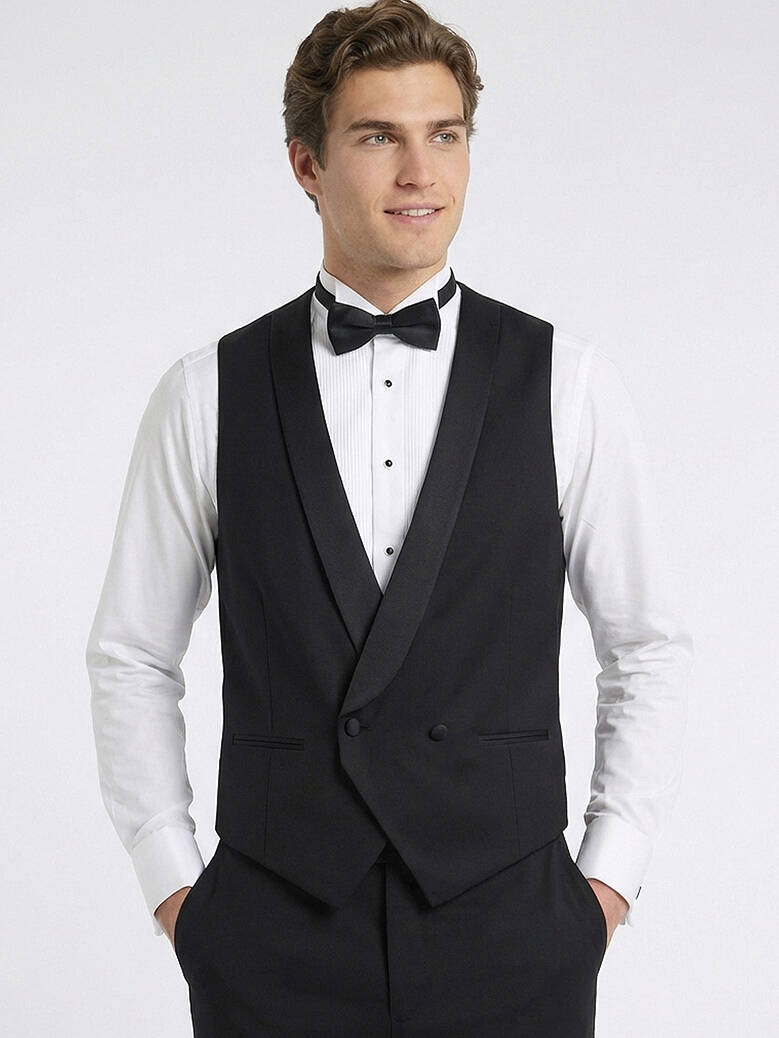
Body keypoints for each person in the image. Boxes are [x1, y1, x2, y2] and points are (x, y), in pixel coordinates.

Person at [86, 1, 693, 1034]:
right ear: (306, 165)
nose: (421, 174)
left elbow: (646, 646)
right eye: (378, 138)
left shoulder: (568, 383)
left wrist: (602, 889)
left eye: (443, 135)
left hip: (511, 927)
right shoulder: (205, 392)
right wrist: (179, 892)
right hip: (273, 934)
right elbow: (131, 654)